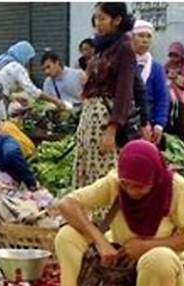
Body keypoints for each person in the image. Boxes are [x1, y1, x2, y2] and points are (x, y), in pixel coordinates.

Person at [55, 140, 184, 286]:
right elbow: (67, 205)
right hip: (119, 274)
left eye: (140, 187)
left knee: (158, 257)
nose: (131, 191)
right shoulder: (116, 181)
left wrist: (147, 246)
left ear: (155, 179)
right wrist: (100, 242)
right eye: (126, 185)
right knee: (67, 235)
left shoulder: (174, 187)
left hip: (162, 280)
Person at [74, 2, 137, 189]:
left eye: (102, 18)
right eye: (96, 19)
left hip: (104, 120)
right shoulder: (101, 47)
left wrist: (112, 129)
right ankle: (84, 216)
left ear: (117, 20)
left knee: (103, 173)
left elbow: (125, 91)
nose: (97, 23)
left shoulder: (124, 48)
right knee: (86, 170)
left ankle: (104, 218)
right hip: (89, 118)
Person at [0, 40, 66, 110]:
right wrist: (55, 101)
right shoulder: (16, 67)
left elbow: (4, 86)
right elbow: (32, 91)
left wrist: (15, 98)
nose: (28, 62)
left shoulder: (3, 62)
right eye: (28, 59)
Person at [131, 20, 169, 146]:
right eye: (140, 36)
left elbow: (162, 98)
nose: (145, 40)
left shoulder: (156, 68)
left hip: (149, 126)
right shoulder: (124, 64)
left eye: (148, 36)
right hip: (127, 124)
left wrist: (159, 124)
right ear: (132, 38)